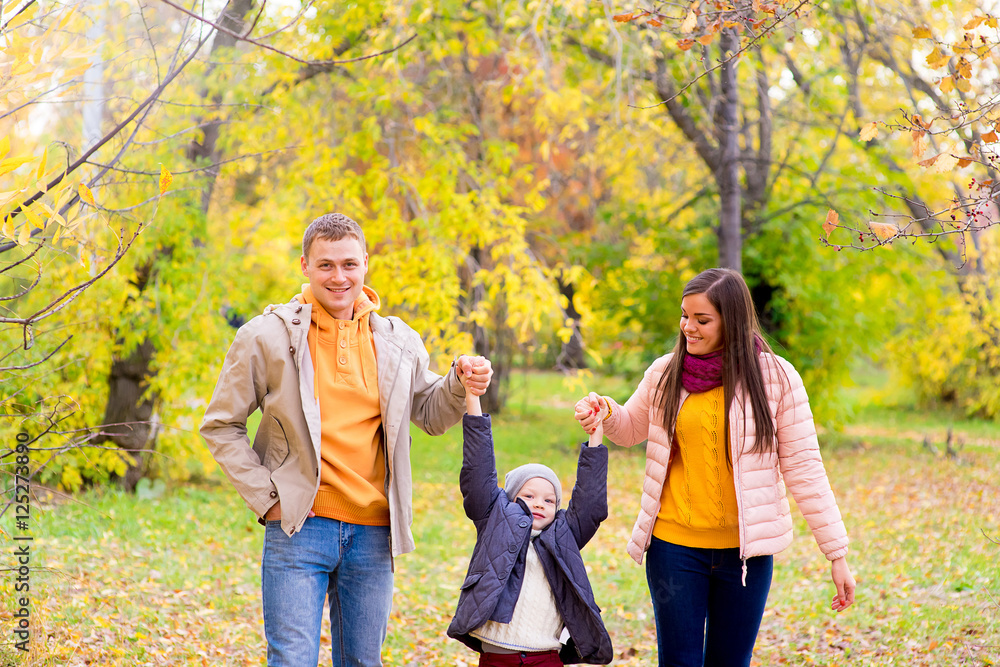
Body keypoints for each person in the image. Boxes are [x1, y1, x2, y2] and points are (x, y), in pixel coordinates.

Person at [200, 212, 494, 667]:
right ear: (304, 266)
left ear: (366, 264)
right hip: (299, 526)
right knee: (291, 660)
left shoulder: (398, 340)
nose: (339, 277)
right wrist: (267, 498)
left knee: (362, 663)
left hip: (374, 535)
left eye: (349, 264)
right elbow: (221, 424)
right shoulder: (266, 336)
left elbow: (431, 414)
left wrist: (458, 380)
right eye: (326, 265)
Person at [574, 268, 856, 667]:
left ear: (732, 321)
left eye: (702, 319)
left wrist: (836, 553)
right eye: (685, 315)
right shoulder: (665, 372)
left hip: (745, 557)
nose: (688, 327)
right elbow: (629, 428)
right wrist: (604, 412)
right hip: (674, 550)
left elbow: (805, 467)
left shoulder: (775, 377)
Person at [447, 374, 613, 666]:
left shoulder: (564, 534)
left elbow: (590, 504)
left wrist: (595, 435)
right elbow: (478, 472)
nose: (539, 503)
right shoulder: (495, 519)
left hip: (545, 657)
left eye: (549, 500)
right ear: (509, 500)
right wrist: (473, 400)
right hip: (498, 657)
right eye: (528, 496)